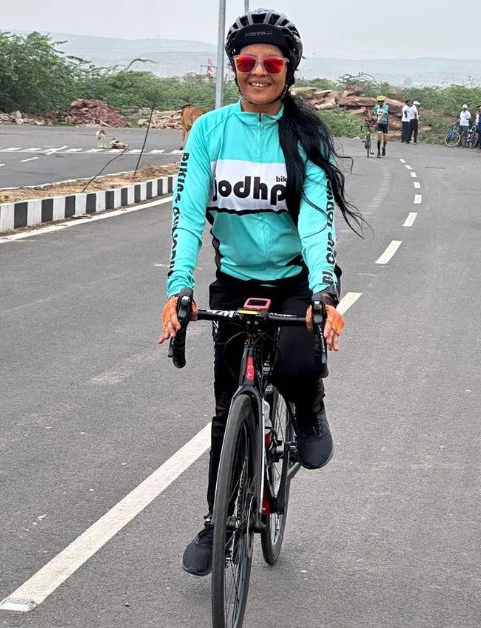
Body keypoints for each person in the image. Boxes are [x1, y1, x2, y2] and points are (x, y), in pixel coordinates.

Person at [157, 7, 364, 577]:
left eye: (270, 62)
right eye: (247, 62)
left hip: (297, 281)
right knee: (227, 410)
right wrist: (179, 288)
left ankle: (308, 411)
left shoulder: (304, 134)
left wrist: (323, 290)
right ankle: (218, 523)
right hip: (236, 281)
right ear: (234, 66)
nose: (258, 71)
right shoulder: (210, 131)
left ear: (288, 69)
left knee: (298, 364)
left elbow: (316, 218)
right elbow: (188, 215)